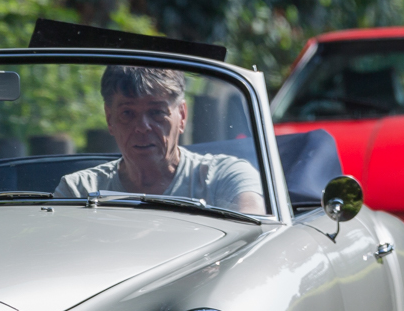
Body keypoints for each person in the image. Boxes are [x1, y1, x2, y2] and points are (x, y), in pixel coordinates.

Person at [54, 66, 267, 214]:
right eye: (128, 113)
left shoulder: (225, 178)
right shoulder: (78, 191)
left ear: (182, 115)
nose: (142, 127)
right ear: (110, 119)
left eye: (156, 112)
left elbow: (253, 238)